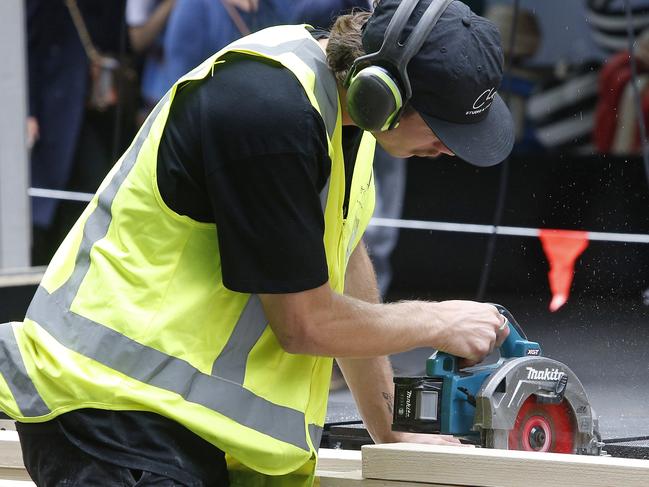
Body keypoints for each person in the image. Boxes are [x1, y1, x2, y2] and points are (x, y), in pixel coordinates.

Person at [3, 0, 514, 485]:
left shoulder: (343, 117)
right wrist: (438, 321)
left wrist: (392, 432)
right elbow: (305, 322)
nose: (449, 148)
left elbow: (342, 260)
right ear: (384, 93)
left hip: (176, 425)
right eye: (442, 127)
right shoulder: (269, 111)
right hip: (113, 413)